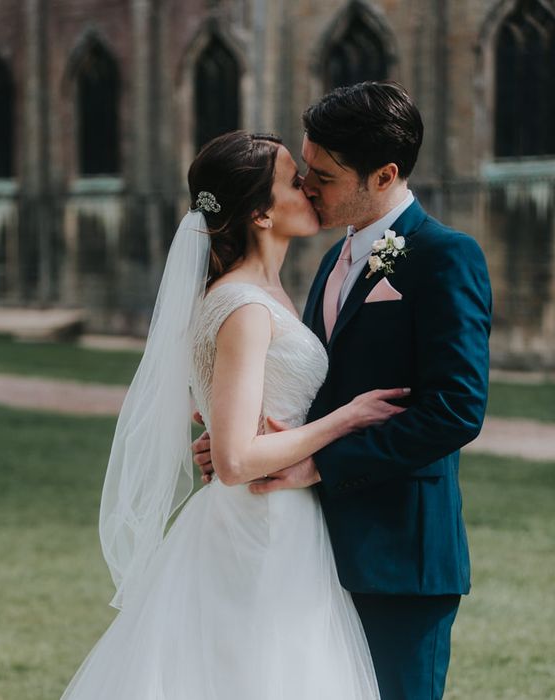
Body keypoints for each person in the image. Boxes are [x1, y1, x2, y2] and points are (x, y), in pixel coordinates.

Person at [60, 130, 411, 699]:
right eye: (294, 181)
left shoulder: (265, 293)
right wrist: (345, 418)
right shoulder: (244, 306)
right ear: (261, 214)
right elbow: (234, 459)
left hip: (281, 521)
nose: (310, 188)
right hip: (262, 526)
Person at [194, 82, 493, 700]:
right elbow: (317, 390)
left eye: (324, 177)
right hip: (312, 551)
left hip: (398, 557)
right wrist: (245, 435)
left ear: (384, 175)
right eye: (305, 167)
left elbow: (456, 409)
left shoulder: (446, 257)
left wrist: (319, 465)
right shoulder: (335, 260)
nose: (306, 185)